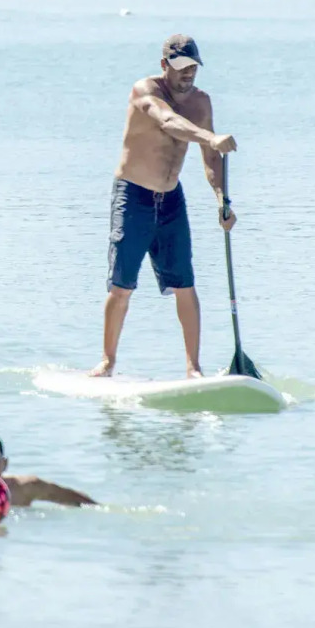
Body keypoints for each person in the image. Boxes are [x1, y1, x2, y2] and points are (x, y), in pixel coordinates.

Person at [90, 34, 237, 379]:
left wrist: (222, 200)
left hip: (171, 199)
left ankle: (193, 368)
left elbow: (210, 157)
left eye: (193, 68)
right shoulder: (145, 91)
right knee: (122, 285)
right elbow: (169, 122)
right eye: (181, 67)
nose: (188, 74)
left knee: (185, 283)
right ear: (164, 65)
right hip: (133, 195)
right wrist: (209, 136)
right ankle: (108, 362)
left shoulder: (201, 103)